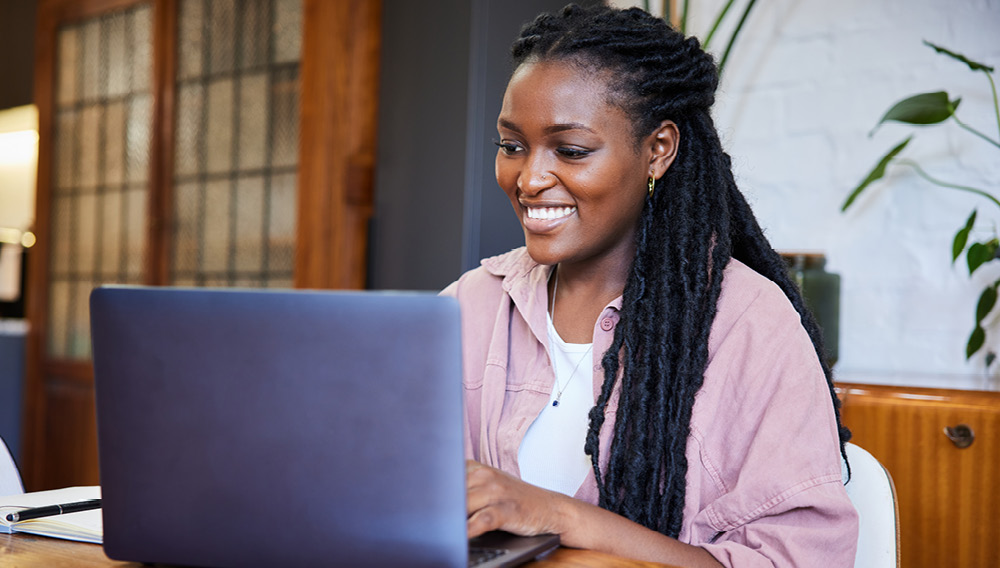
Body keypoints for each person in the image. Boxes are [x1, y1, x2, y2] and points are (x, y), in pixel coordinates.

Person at [442, 4, 859, 567]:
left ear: (657, 150)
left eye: (571, 150)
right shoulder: (471, 304)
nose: (530, 178)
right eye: (512, 145)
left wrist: (560, 516)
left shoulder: (750, 326)